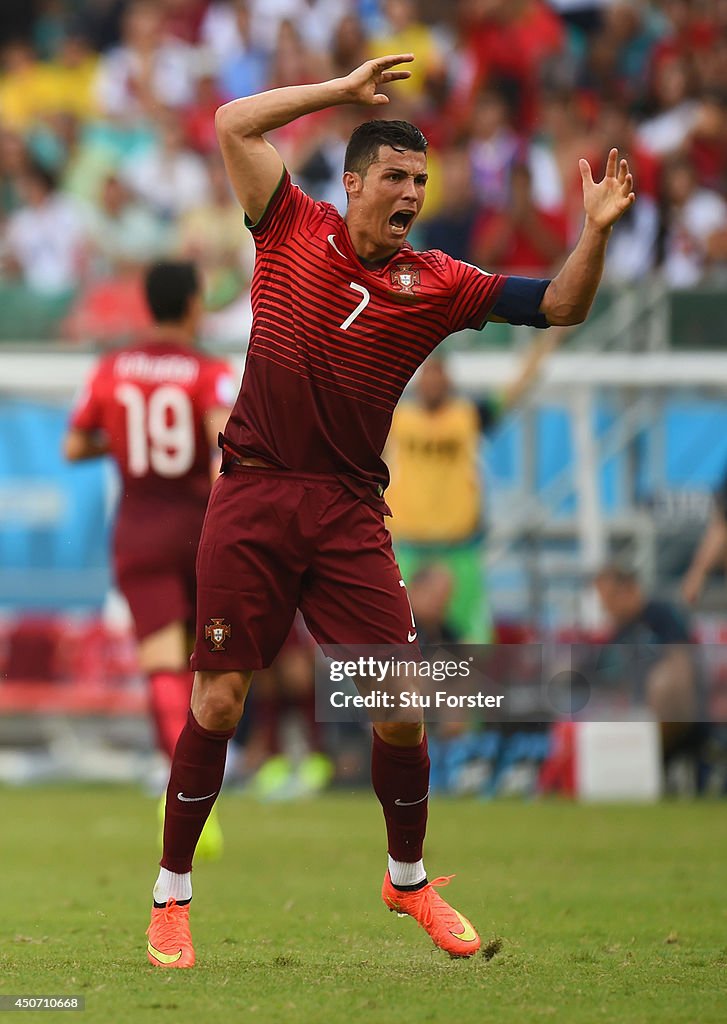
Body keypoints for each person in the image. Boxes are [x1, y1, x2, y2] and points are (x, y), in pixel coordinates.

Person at [145, 53, 635, 968]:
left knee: (403, 708)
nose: (411, 193)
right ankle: (171, 898)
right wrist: (336, 92)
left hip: (345, 512)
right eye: (397, 178)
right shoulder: (290, 224)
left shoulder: (437, 283)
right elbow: (230, 124)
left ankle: (405, 880)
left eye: (422, 180)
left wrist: (595, 231)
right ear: (355, 183)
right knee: (218, 699)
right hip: (252, 491)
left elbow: (562, 303)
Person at [65, 260, 236, 858]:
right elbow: (223, 450)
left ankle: (180, 792)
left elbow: (73, 443)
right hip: (197, 527)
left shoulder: (112, 368)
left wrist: (122, 434)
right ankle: (200, 786)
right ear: (192, 305)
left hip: (138, 526)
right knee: (204, 661)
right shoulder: (208, 371)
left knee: (162, 664)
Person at [386, 337, 565, 642]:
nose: (433, 380)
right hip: (408, 547)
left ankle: (469, 690)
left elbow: (515, 389)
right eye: (427, 373)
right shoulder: (396, 419)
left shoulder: (467, 415)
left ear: (448, 379)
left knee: (473, 640)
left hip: (459, 549)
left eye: (439, 372)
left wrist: (549, 341)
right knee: (395, 637)